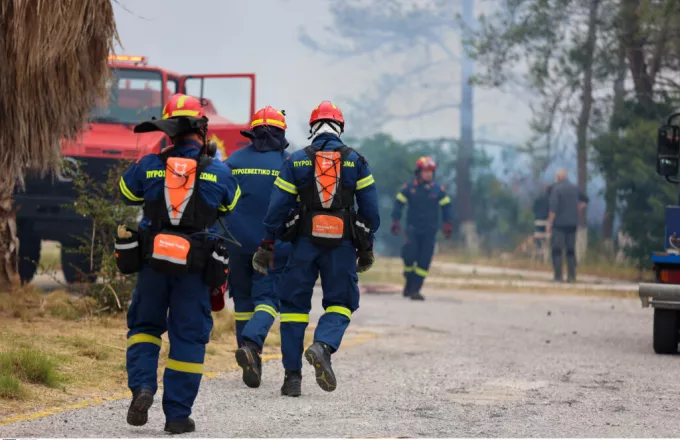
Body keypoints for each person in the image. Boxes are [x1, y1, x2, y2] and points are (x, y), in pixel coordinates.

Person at [118, 93, 241, 434]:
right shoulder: (219, 170)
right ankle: (176, 416)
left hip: (152, 263)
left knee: (144, 328)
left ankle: (142, 387)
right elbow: (229, 207)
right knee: (188, 339)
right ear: (202, 131)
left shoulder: (149, 164)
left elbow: (126, 193)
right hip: (195, 269)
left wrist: (156, 165)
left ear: (169, 130)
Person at [253, 101, 380, 397]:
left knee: (294, 309)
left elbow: (277, 208)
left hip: (303, 246)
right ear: (340, 128)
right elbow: (371, 211)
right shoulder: (356, 161)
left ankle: (292, 378)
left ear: (312, 129)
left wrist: (268, 242)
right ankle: (323, 345)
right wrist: (366, 246)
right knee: (341, 302)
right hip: (342, 247)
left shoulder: (296, 161)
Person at [221, 105, 292, 388]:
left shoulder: (233, 161)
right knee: (268, 300)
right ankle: (251, 344)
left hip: (234, 244)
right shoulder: (289, 164)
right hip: (271, 247)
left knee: (242, 303)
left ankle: (252, 362)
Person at [390, 156, 453, 301]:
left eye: (431, 172)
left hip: (430, 231)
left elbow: (446, 207)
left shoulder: (438, 190)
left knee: (424, 261)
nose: (428, 174)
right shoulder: (409, 187)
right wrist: (395, 220)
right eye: (425, 171)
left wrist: (447, 224)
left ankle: (415, 290)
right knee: (409, 257)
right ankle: (409, 281)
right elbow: (399, 204)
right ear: (419, 172)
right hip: (412, 229)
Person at [546, 168, 589, 282]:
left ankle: (558, 276)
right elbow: (585, 200)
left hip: (559, 225)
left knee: (557, 250)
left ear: (559, 177)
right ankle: (571, 276)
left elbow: (553, 209)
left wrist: (549, 223)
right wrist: (579, 207)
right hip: (572, 224)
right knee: (570, 251)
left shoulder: (556, 189)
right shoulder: (575, 188)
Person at [532, 184, 553, 249]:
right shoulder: (552, 199)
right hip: (547, 220)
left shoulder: (538, 198)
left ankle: (540, 248)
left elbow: (534, 208)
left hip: (538, 220)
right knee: (549, 237)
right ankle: (547, 251)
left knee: (538, 236)